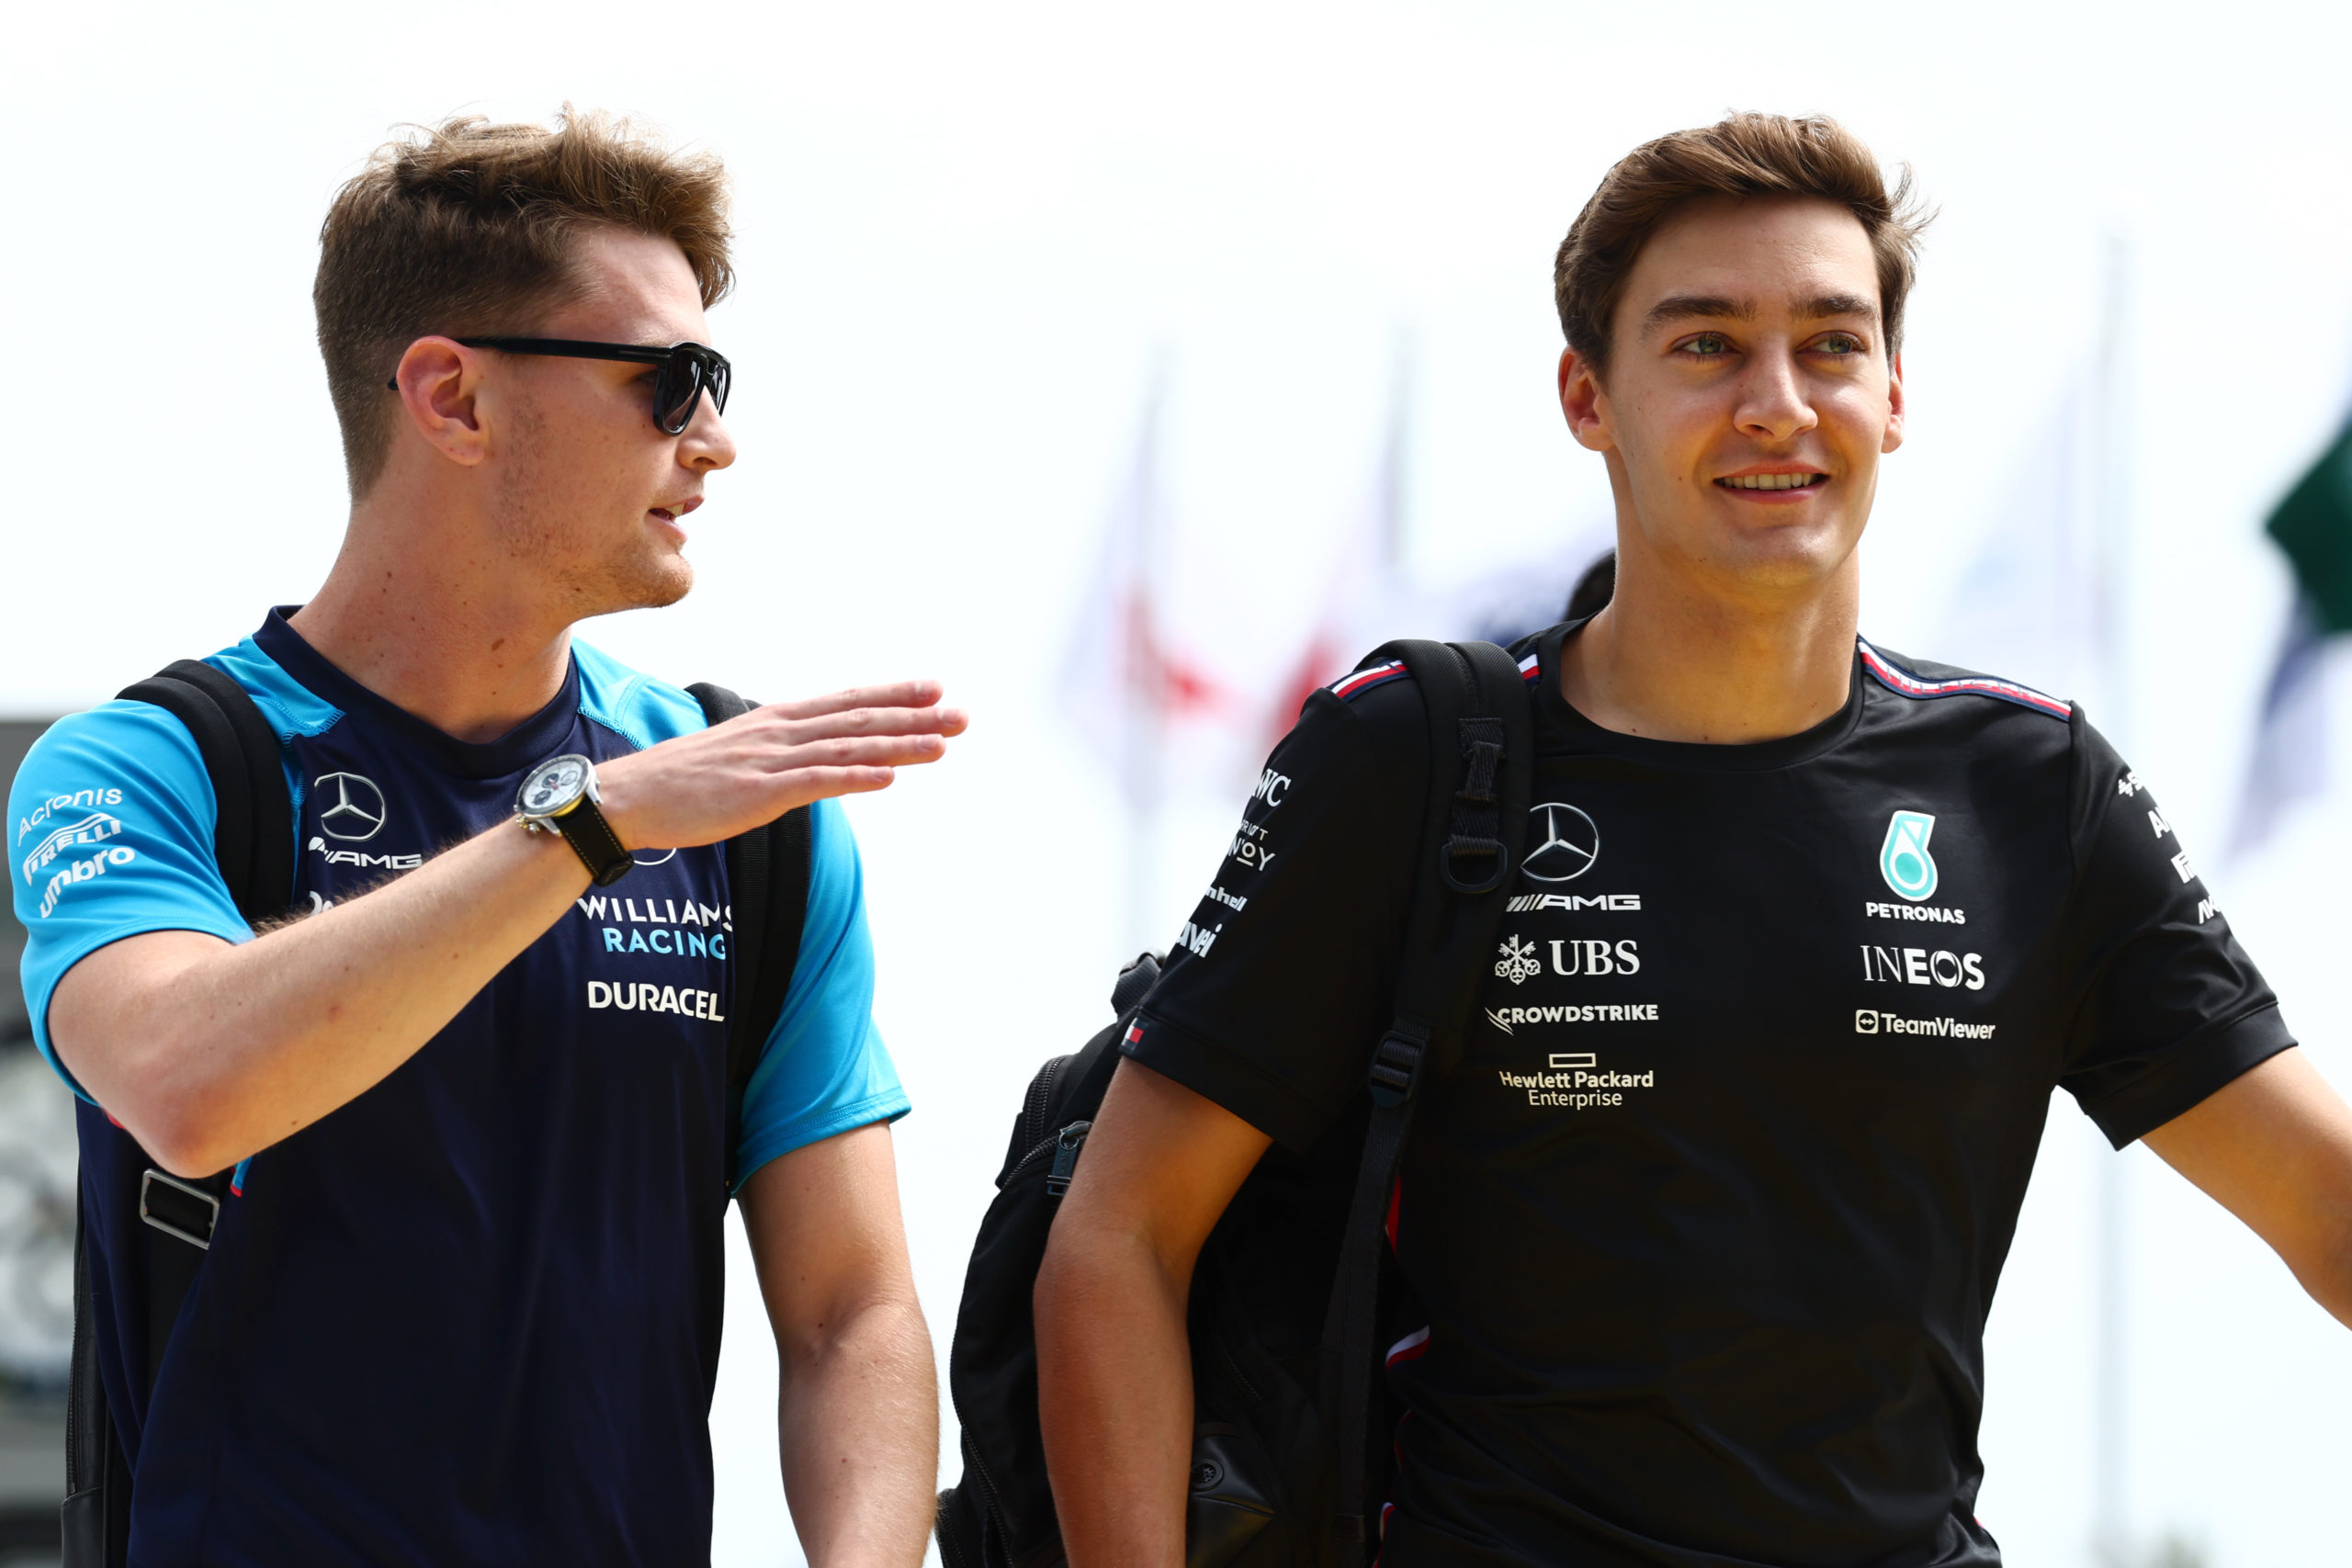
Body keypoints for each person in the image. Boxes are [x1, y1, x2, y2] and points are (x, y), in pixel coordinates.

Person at [1034, 112, 2352, 1566]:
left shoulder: (2030, 789)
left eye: (1830, 344)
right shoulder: (1407, 756)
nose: (1777, 404)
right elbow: (1118, 1238)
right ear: (1588, 396)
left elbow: (2325, 1204)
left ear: (1894, 395)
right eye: (1708, 345)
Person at [10, 112, 959, 1566]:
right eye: (670, 382)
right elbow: (185, 1089)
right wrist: (592, 824)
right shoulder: (158, 767)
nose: (715, 440)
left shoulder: (751, 823)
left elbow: (852, 1314)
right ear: (452, 399)